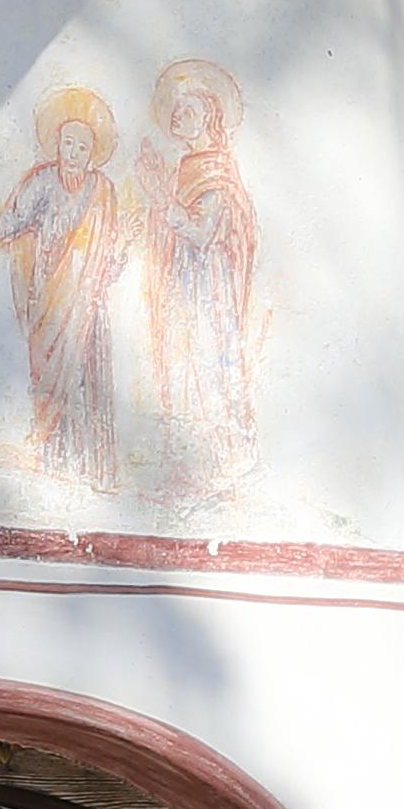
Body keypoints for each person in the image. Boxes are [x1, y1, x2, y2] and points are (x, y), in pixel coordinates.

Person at [0, 84, 129, 489]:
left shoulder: (104, 192)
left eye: (81, 147)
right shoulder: (41, 183)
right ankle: (54, 466)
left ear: (93, 153)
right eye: (67, 143)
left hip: (88, 306)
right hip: (49, 302)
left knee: (89, 382)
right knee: (51, 382)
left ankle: (92, 469)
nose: (72, 152)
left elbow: (110, 255)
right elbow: (11, 222)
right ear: (56, 144)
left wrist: (120, 253)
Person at [137, 59, 261, 493]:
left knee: (208, 367)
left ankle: (225, 459)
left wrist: (158, 196)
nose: (176, 116)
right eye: (174, 109)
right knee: (180, 368)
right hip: (182, 288)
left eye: (186, 109)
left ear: (209, 114)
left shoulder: (218, 173)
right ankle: (192, 463)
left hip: (209, 293)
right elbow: (171, 224)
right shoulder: (186, 168)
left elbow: (200, 231)